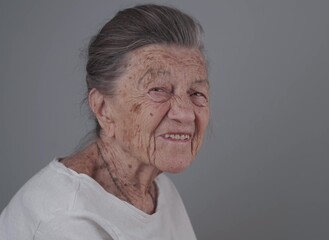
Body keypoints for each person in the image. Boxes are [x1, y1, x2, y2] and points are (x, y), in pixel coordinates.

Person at [0, 4, 209, 239]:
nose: (186, 113)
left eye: (197, 93)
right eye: (158, 89)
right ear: (103, 108)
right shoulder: (65, 221)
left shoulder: (161, 191)